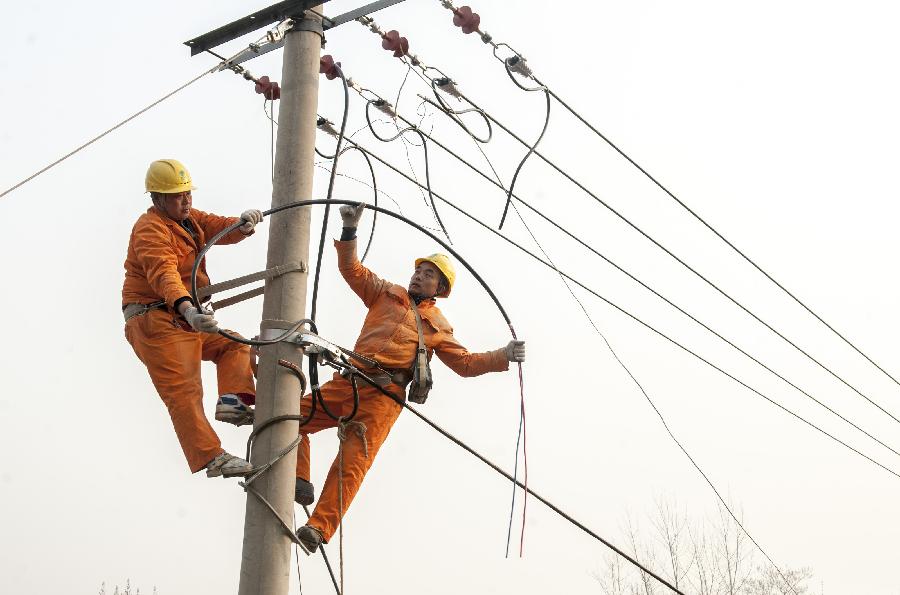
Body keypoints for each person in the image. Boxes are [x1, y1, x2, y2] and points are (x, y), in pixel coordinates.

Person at [294, 203, 526, 553]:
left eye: (429, 274)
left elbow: (464, 364)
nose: (419, 276)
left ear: (440, 287)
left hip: (384, 397)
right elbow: (351, 269)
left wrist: (503, 355)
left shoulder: (439, 327)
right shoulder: (384, 293)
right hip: (351, 381)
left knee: (352, 463)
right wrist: (350, 228)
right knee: (291, 416)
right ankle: (298, 480)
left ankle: (318, 528)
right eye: (419, 270)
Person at [122, 158, 264, 478]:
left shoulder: (187, 218)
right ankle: (211, 457)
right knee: (184, 390)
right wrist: (188, 309)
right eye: (177, 195)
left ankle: (233, 401)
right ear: (157, 199)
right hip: (155, 321)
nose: (186, 200)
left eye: (187, 193)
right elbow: (164, 274)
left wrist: (242, 225)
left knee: (232, 345)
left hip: (183, 318)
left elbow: (217, 226)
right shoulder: (151, 229)